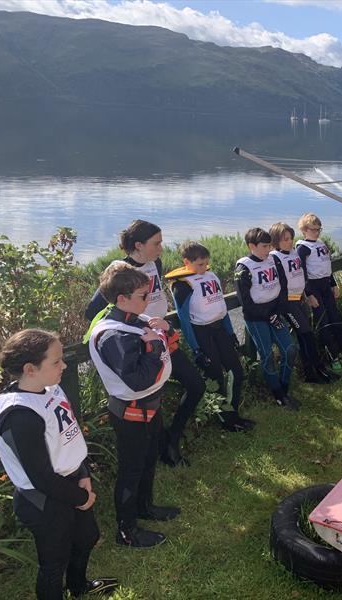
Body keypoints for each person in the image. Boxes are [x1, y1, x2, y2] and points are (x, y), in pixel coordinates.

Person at [0, 329, 118, 599]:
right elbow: (40, 476)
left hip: (72, 481)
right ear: (30, 369)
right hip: (44, 498)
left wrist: (83, 474)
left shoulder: (49, 387)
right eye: (56, 361)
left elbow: (66, 438)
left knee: (86, 538)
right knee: (53, 563)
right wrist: (81, 497)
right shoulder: (19, 415)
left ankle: (79, 586)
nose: (65, 365)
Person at [85, 220, 205, 466]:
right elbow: (93, 310)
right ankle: (165, 447)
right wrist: (130, 325)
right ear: (138, 245)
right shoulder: (120, 269)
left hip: (160, 336)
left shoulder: (154, 263)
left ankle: (171, 437)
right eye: (156, 243)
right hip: (139, 342)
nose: (161, 248)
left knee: (196, 385)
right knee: (152, 392)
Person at [87, 263, 181, 547]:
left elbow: (167, 345)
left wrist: (167, 328)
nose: (149, 299)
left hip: (150, 405)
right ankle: (126, 530)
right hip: (131, 412)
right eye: (143, 294)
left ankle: (145, 507)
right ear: (121, 299)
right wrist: (153, 346)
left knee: (149, 460)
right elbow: (138, 380)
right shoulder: (113, 334)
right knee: (132, 469)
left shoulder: (135, 319)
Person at [165, 241, 255, 432]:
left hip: (220, 330)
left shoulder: (211, 275)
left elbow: (220, 308)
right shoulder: (182, 286)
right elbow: (184, 321)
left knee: (236, 372)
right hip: (201, 333)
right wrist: (195, 348)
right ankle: (225, 419)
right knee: (215, 376)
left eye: (206, 263)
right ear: (186, 261)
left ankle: (232, 415)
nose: (204, 267)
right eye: (199, 264)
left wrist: (231, 334)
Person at [235, 227, 300, 410]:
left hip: (274, 313)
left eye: (270, 245)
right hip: (256, 319)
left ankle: (284, 389)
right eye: (264, 246)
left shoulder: (273, 259)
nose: (268, 249)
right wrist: (268, 315)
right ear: (251, 246)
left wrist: (276, 311)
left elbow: (283, 286)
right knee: (267, 356)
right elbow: (246, 303)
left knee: (290, 350)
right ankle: (278, 395)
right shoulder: (243, 268)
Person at [269, 222, 339, 385]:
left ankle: (315, 369)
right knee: (306, 334)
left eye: (291, 238)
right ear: (276, 241)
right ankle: (312, 372)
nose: (289, 242)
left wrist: (306, 296)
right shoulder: (274, 258)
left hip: (299, 300)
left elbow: (301, 276)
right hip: (288, 303)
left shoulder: (293, 253)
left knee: (306, 336)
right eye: (285, 239)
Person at [295, 213, 342, 372]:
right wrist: (308, 294)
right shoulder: (302, 248)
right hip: (313, 287)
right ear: (304, 230)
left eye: (319, 229)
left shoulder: (321, 243)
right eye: (314, 229)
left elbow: (327, 267)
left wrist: (334, 284)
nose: (317, 232)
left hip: (325, 285)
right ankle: (333, 357)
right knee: (323, 322)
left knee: (335, 318)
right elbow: (302, 273)